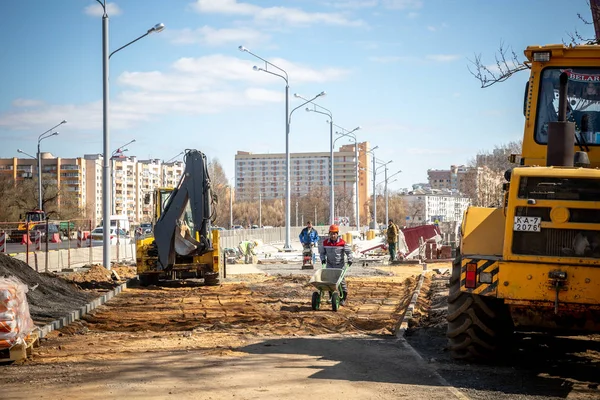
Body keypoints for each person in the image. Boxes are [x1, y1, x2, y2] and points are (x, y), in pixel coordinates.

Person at [319, 224, 353, 306]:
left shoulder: (342, 243)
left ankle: (343, 299)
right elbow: (322, 253)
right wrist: (323, 259)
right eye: (331, 233)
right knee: (330, 282)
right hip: (330, 265)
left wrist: (350, 259)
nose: (333, 235)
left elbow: (349, 252)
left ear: (337, 234)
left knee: (341, 282)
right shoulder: (325, 243)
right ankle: (331, 297)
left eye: (334, 233)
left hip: (339, 266)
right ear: (329, 234)